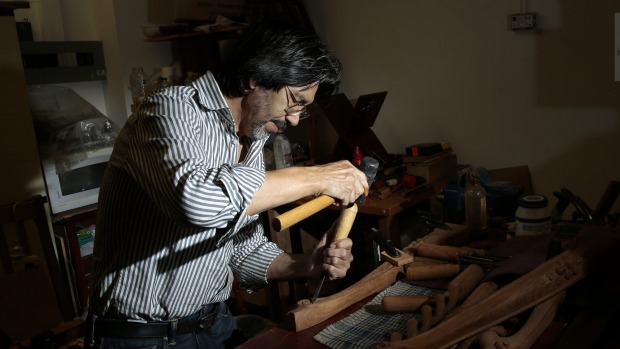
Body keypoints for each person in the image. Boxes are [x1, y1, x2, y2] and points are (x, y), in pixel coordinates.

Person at [85, 19, 368, 349]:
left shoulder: (252, 136)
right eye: (295, 101)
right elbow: (196, 200)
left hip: (213, 325)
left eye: (302, 109)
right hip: (143, 338)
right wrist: (319, 177)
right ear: (255, 79)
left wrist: (306, 264)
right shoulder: (169, 110)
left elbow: (243, 248)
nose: (293, 118)